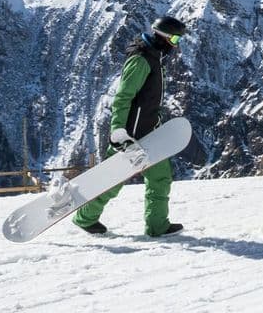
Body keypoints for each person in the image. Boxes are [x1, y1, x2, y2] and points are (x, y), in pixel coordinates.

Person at [72, 16, 188, 236]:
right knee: (113, 180)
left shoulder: (154, 57)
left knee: (160, 178)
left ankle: (157, 225)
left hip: (149, 132)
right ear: (162, 36)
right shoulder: (141, 60)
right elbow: (123, 97)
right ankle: (85, 217)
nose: (175, 44)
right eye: (174, 39)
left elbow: (147, 99)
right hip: (132, 136)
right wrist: (119, 132)